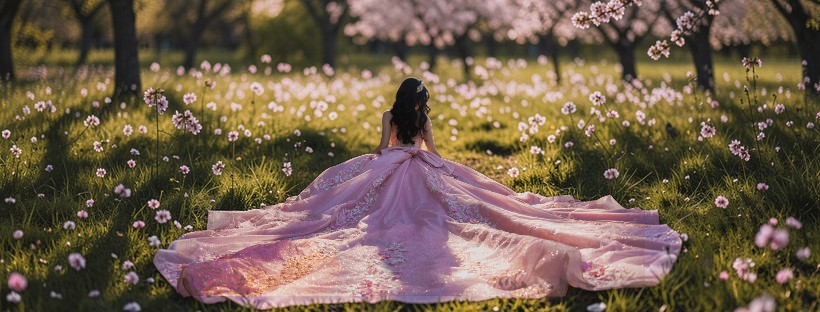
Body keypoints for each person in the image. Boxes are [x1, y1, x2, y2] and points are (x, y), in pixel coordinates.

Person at [154, 77, 682, 309]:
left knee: (347, 210)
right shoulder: (425, 121)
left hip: (390, 168)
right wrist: (430, 162)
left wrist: (390, 159)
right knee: (466, 208)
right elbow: (431, 151)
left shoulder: (390, 116)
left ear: (398, 103)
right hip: (420, 169)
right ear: (421, 103)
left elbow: (381, 150)